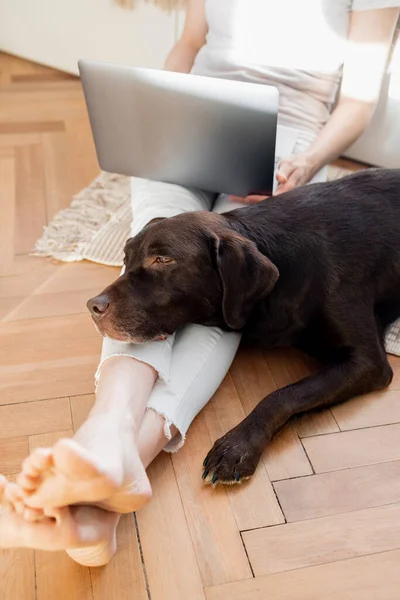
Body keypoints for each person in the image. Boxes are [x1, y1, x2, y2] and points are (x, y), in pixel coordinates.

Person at [0, 0, 398, 566]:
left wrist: (306, 162)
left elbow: (357, 102)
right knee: (156, 236)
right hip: (187, 123)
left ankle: (107, 486)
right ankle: (109, 437)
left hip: (287, 144)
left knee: (218, 291)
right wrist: (160, 107)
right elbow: (189, 45)